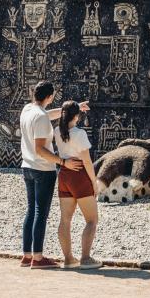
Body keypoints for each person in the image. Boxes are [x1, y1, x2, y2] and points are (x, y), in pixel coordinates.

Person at [19, 80, 88, 269]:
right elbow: (41, 149)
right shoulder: (40, 118)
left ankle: (27, 255)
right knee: (41, 213)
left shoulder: (27, 110)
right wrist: (63, 162)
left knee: (31, 210)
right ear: (49, 96)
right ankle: (38, 258)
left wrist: (76, 108)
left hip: (27, 167)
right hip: (42, 169)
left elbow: (47, 114)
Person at [54, 100, 102, 269]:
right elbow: (87, 162)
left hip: (64, 175)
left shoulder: (56, 132)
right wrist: (94, 182)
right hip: (80, 175)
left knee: (65, 219)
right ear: (77, 116)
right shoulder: (79, 134)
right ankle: (86, 258)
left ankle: (68, 259)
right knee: (92, 219)